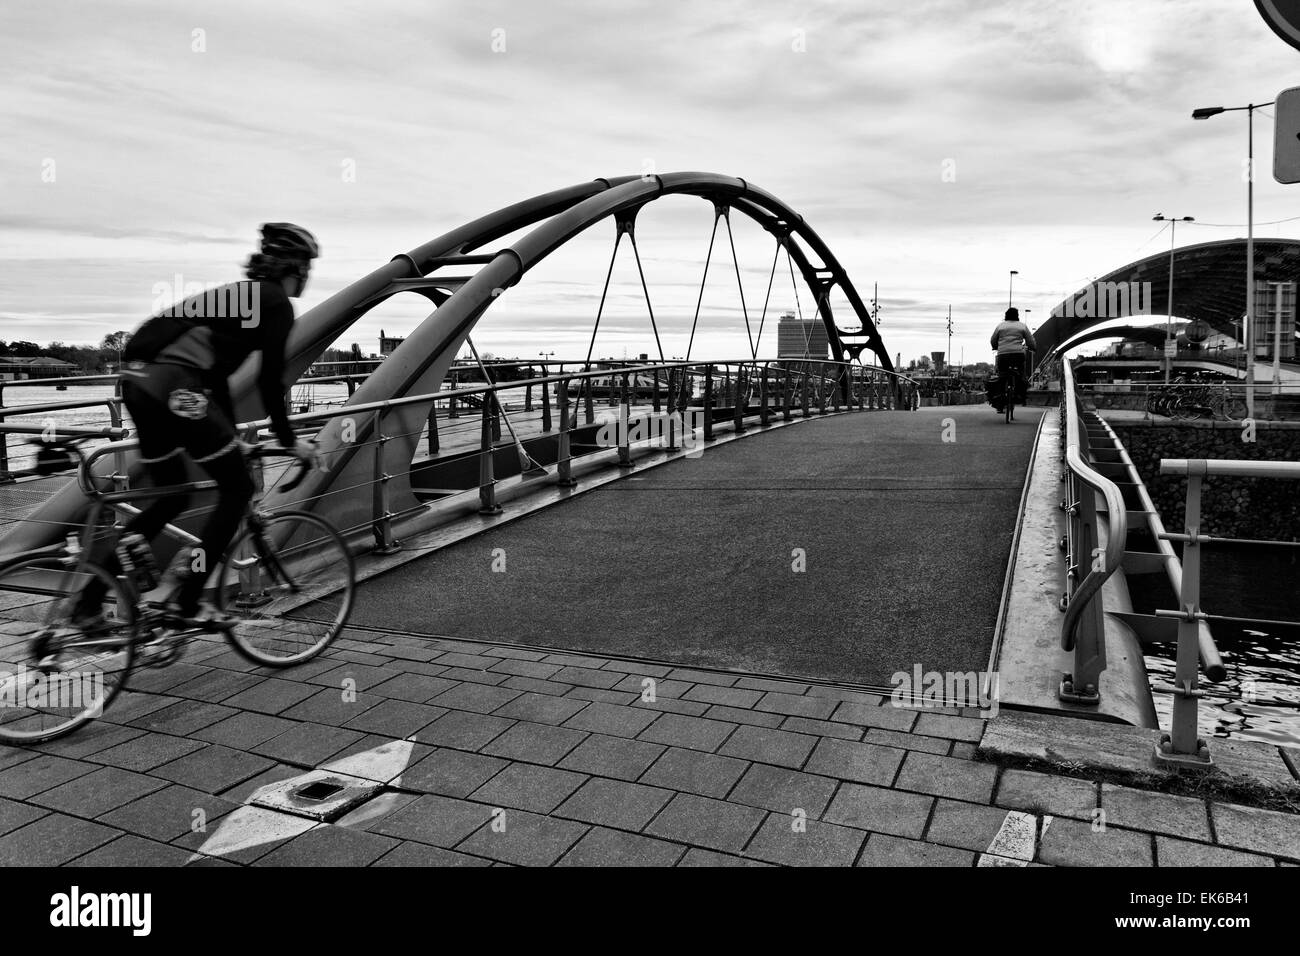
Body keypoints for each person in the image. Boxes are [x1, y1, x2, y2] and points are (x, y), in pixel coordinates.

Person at [73, 223, 320, 630]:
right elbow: (269, 379)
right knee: (238, 489)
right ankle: (187, 602)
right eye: (307, 265)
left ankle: (87, 602)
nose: (308, 275)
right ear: (298, 267)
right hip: (175, 386)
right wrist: (291, 442)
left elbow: (215, 377)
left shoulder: (239, 296)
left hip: (138, 383)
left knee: (172, 496)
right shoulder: (275, 302)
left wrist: (231, 436)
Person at [990, 306, 1037, 405]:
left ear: (1006, 316)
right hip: (1018, 354)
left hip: (1003, 355)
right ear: (1017, 316)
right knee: (1020, 374)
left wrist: (995, 347)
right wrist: (1033, 348)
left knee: (1002, 375)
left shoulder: (1000, 326)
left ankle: (1000, 398)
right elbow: (1030, 341)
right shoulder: (1022, 326)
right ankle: (1021, 395)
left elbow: (993, 340)